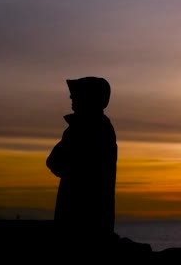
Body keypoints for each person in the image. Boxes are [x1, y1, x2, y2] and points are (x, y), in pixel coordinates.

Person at [46, 76, 117, 244]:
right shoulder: (93, 127)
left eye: (76, 94)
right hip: (90, 214)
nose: (71, 98)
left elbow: (55, 162)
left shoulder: (86, 128)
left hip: (81, 213)